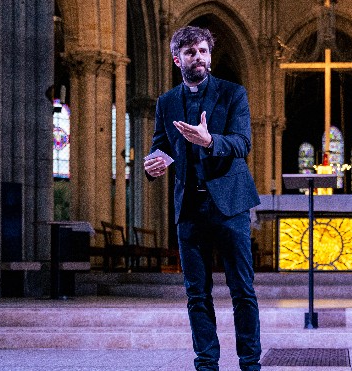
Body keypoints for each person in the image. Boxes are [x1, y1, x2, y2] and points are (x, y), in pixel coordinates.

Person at [143, 26, 262, 371]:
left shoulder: (232, 94)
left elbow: (242, 144)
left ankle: (250, 363)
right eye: (191, 52)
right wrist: (154, 166)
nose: (199, 57)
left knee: (242, 290)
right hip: (189, 207)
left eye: (203, 51)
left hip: (229, 205)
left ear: (210, 56)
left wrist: (209, 140)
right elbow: (161, 146)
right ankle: (206, 363)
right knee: (197, 294)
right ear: (176, 58)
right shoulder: (166, 102)